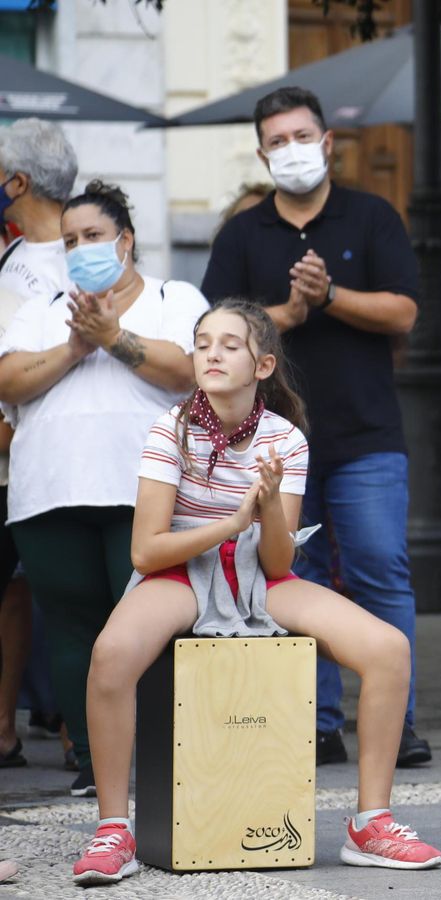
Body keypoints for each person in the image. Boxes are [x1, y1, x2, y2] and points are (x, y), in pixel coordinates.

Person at [68, 300, 441, 885]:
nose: (211, 353)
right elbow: (146, 550)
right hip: (181, 567)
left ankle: (371, 824)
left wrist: (267, 512)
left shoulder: (285, 439)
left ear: (263, 365)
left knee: (388, 647)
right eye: (202, 343)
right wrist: (231, 522)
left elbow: (277, 560)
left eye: (229, 344)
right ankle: (113, 828)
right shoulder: (171, 428)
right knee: (111, 655)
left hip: (258, 573)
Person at [201, 86, 431, 768]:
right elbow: (218, 332)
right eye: (278, 141)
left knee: (380, 573)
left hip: (366, 438)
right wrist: (290, 314)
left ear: (328, 143)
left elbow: (404, 313)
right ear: (262, 153)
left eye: (303, 136)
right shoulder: (244, 234)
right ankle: (319, 723)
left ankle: (399, 723)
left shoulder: (371, 217)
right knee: (289, 578)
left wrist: (331, 295)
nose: (292, 150)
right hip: (271, 446)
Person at [0, 180, 209, 796]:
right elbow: (9, 379)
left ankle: (162, 759)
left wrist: (115, 338)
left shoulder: (174, 296)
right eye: (69, 241)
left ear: (126, 240)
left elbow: (189, 369)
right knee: (72, 630)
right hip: (50, 493)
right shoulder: (40, 311)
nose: (80, 250)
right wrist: (74, 345)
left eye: (92, 236)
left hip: (144, 494)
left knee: (145, 625)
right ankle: (95, 765)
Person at [0, 118, 78, 768]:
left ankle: (81, 737)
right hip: (20, 459)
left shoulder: (93, 255)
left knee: (66, 599)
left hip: (55, 459)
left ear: (17, 181)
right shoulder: (7, 258)